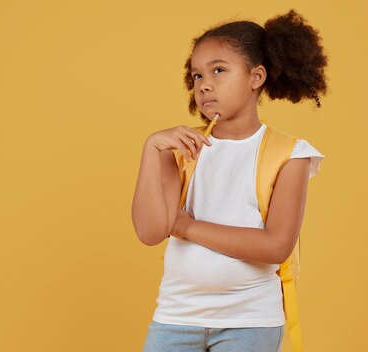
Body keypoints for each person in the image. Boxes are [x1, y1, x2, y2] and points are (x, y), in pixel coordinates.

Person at [131, 9, 327, 352]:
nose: (204, 84)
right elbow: (150, 232)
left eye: (218, 70)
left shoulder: (289, 154)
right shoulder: (177, 148)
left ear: (256, 77)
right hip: (176, 318)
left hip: (251, 323)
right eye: (196, 76)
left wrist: (187, 227)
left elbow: (275, 247)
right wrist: (151, 149)